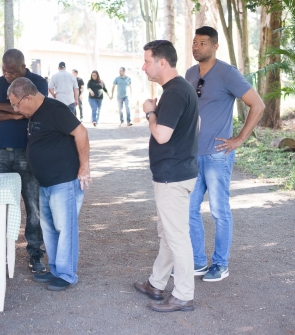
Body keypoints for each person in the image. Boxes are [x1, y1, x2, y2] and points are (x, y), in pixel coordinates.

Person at [185, 26, 265, 282]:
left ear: (215, 46)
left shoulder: (227, 73)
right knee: (189, 209)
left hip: (218, 155)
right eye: (195, 43)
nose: (197, 47)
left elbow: (258, 104)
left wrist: (239, 139)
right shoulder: (189, 74)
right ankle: (198, 262)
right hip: (192, 155)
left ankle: (220, 264)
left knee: (219, 211)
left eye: (203, 43)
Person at [133, 40, 199, 312]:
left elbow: (161, 134)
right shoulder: (181, 89)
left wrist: (149, 111)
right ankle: (156, 283)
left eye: (147, 60)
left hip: (173, 175)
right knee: (168, 233)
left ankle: (183, 294)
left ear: (162, 62)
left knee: (176, 235)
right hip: (176, 172)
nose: (143, 66)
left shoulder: (173, 93)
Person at [7, 77, 91, 291]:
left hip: (63, 180)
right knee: (50, 228)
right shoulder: (34, 114)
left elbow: (81, 132)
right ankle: (55, 269)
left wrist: (84, 167)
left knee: (65, 228)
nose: (15, 109)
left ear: (28, 97)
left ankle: (66, 274)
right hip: (44, 182)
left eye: (16, 104)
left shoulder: (55, 109)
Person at [0, 48, 48, 273]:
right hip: (0, 152)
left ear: (23, 66)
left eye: (11, 72)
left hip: (29, 152)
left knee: (33, 205)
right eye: (4, 71)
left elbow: (34, 109)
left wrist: (0, 105)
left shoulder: (38, 82)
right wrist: (13, 113)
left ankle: (35, 253)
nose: (6, 75)